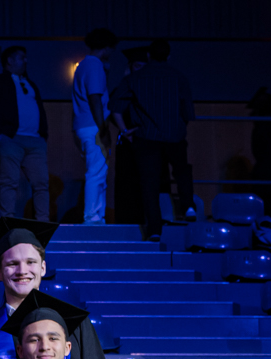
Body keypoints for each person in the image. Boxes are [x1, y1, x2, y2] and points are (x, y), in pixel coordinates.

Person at [0, 217, 108, 359]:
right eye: (12, 264)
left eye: (30, 262)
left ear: (43, 268)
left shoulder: (76, 327)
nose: (22, 271)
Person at [111, 39, 196, 241]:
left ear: (149, 56)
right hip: (174, 135)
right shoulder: (179, 77)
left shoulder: (135, 78)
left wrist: (125, 130)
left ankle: (154, 229)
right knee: (182, 171)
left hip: (146, 136)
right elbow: (188, 112)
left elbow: (115, 106)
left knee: (149, 184)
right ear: (168, 56)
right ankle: (188, 205)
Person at [0, 46, 51, 222]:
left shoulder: (30, 83)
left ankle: (43, 221)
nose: (25, 61)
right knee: (9, 182)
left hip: (35, 140)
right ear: (10, 61)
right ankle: (8, 221)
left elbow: (39, 108)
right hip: (11, 139)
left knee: (41, 183)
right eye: (21, 57)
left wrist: (43, 135)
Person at [73, 29, 118, 225]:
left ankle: (97, 216)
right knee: (96, 172)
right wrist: (103, 128)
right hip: (94, 126)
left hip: (83, 125)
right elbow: (95, 98)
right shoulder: (94, 65)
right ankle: (92, 217)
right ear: (106, 47)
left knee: (98, 170)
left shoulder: (83, 65)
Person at [109, 46, 152, 226]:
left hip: (149, 141)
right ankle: (126, 221)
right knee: (126, 183)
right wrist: (126, 130)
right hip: (128, 141)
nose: (140, 70)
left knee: (148, 182)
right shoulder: (123, 88)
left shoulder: (152, 89)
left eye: (144, 66)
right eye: (137, 66)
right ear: (130, 67)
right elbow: (113, 111)